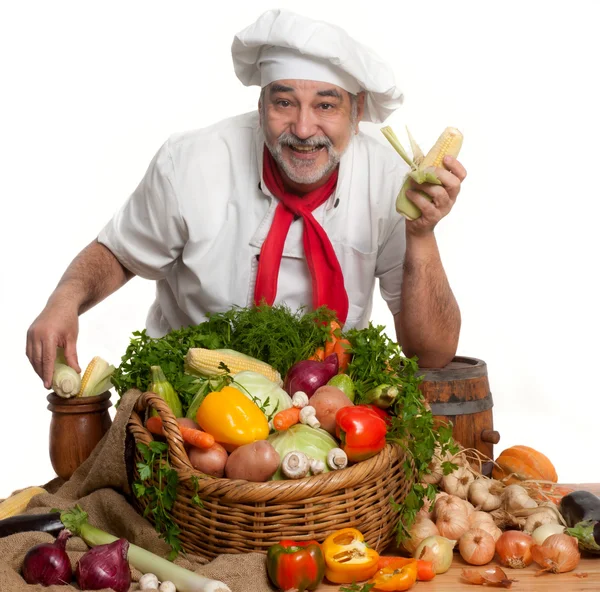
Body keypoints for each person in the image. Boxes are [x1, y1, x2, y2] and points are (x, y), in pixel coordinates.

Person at [26, 8, 466, 388]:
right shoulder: (192, 163)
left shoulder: (389, 179)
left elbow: (430, 354)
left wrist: (422, 234)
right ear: (261, 107)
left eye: (326, 106)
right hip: (192, 402)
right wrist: (63, 302)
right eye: (284, 102)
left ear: (358, 112)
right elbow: (121, 254)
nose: (304, 128)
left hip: (329, 409)